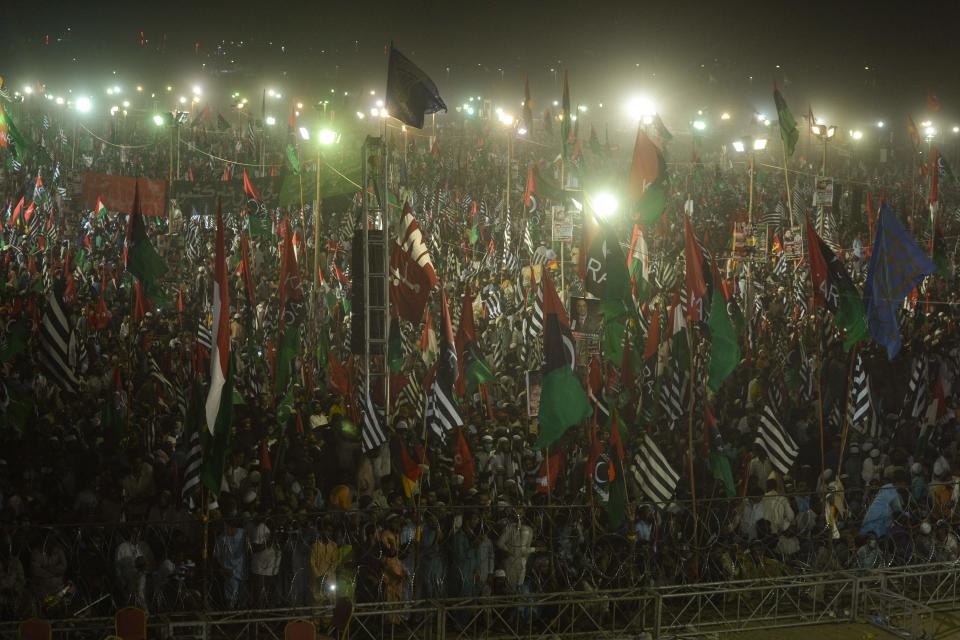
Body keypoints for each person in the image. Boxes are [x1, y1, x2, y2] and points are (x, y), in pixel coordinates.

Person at [860, 471, 908, 539]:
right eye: (904, 484)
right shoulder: (893, 495)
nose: (905, 486)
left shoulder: (887, 487)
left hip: (870, 520)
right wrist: (908, 515)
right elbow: (899, 512)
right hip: (877, 524)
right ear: (901, 482)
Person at [214, 520, 249, 609]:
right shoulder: (222, 538)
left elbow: (248, 550)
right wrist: (223, 569)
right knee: (230, 597)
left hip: (242, 570)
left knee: (243, 597)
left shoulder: (243, 533)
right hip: (229, 571)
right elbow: (217, 556)